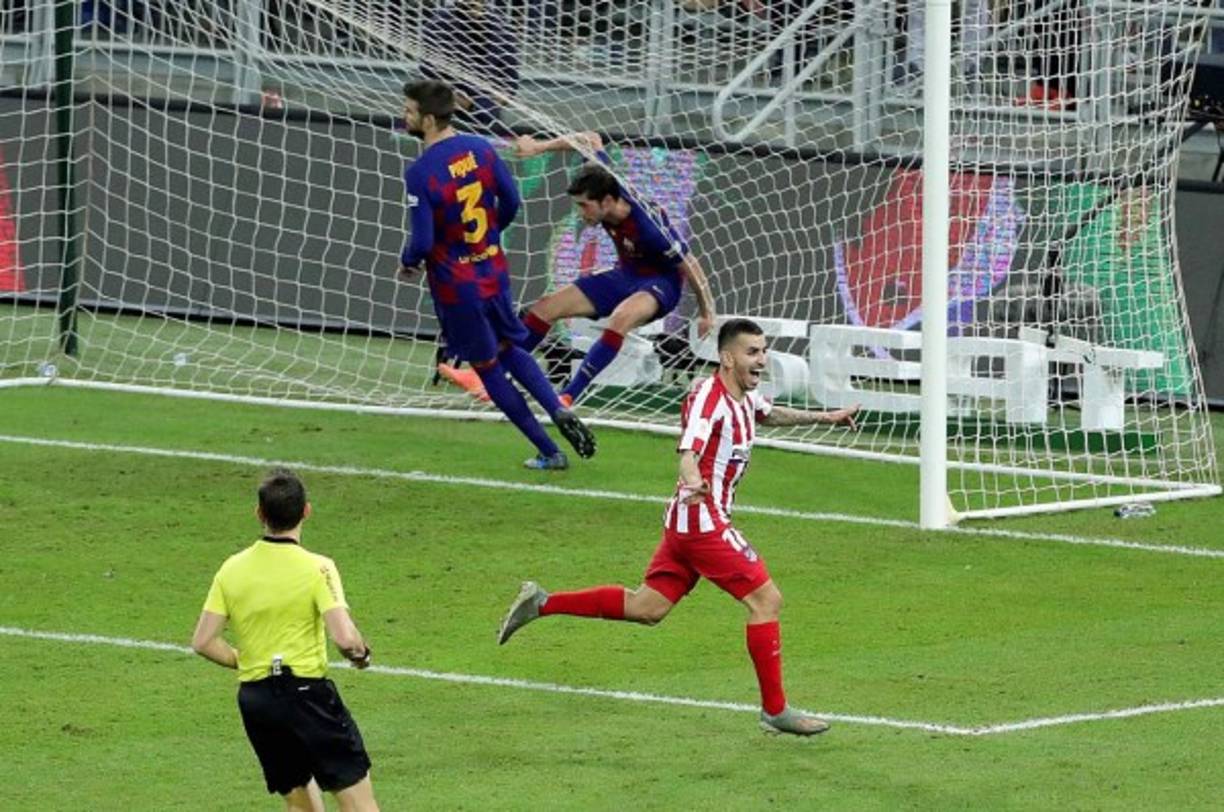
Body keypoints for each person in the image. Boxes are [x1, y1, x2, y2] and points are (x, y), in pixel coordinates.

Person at [497, 318, 859, 736]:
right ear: (728, 358)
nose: (762, 360)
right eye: (753, 352)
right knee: (767, 601)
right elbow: (689, 448)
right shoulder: (709, 399)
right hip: (702, 522)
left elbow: (770, 414)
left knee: (647, 608)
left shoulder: (743, 396)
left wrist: (828, 417)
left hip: (686, 523)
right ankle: (775, 710)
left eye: (763, 351)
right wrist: (692, 478)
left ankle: (542, 602)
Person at [399, 79, 597, 470]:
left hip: (457, 287)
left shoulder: (420, 172)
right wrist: (490, 234)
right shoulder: (481, 149)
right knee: (511, 348)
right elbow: (511, 201)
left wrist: (408, 260)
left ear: (429, 118)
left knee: (488, 367)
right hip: (492, 270)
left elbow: (422, 242)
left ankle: (549, 450)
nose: (404, 116)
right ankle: (557, 407)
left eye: (408, 111)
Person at [191, 469, 379, 812]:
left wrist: (244, 660)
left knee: (302, 805)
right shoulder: (318, 567)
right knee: (360, 806)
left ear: (259, 514)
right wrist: (361, 655)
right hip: (308, 698)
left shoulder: (231, 569)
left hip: (258, 702)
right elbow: (345, 638)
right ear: (306, 511)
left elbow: (203, 641)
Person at [511, 131, 718, 407]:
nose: (581, 212)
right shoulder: (607, 180)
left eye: (584, 205)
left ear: (606, 202)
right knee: (545, 308)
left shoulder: (650, 228)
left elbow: (689, 264)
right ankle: (496, 376)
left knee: (620, 317)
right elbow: (590, 138)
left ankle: (569, 395)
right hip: (626, 275)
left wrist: (707, 312)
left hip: (661, 285)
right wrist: (538, 147)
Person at [420, 0, 520, 136]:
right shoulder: (438, 24)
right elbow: (428, 72)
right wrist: (453, 98)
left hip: (487, 116)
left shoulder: (500, 27)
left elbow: (510, 78)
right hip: (447, 113)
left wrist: (491, 102)